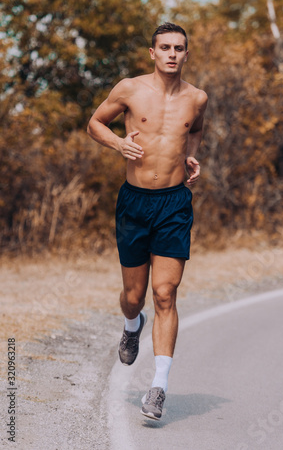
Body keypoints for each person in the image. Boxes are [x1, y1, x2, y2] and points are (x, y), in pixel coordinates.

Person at [87, 22, 208, 420]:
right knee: (135, 296)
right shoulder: (130, 89)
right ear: (152, 53)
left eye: (179, 48)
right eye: (165, 47)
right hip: (134, 204)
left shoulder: (197, 98)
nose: (172, 53)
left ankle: (158, 386)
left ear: (186, 54)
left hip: (174, 204)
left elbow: (196, 132)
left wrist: (191, 156)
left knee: (165, 294)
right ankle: (131, 322)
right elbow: (95, 123)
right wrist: (118, 142)